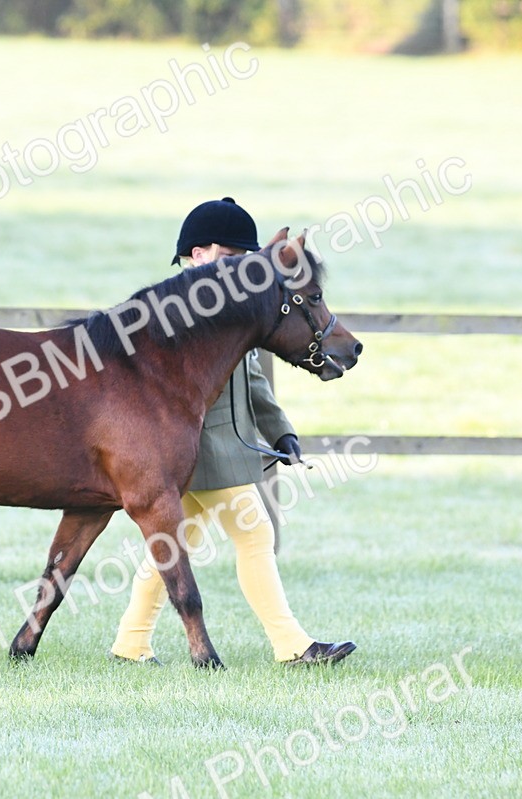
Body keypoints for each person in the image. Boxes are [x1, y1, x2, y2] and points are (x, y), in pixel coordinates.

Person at [108, 197, 355, 667]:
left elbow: (254, 376)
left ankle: (131, 641)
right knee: (255, 534)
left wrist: (279, 429)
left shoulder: (235, 306)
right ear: (198, 255)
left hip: (224, 443)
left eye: (244, 261)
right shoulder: (176, 308)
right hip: (201, 445)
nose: (239, 269)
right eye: (230, 259)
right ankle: (293, 646)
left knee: (175, 546)